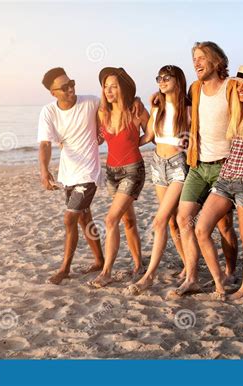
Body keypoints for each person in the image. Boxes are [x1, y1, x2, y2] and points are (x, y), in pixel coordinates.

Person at [171, 42, 243, 297]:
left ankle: (230, 272)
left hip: (227, 164)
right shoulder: (195, 88)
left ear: (216, 61)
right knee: (184, 219)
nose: (196, 62)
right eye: (194, 58)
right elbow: (186, 111)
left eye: (201, 58)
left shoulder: (232, 86)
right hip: (198, 163)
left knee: (225, 227)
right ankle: (192, 276)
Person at [195, 65, 243, 300]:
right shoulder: (238, 111)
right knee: (201, 228)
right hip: (225, 179)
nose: (241, 90)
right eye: (239, 85)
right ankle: (219, 282)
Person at [127, 65, 190, 295]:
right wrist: (126, 142)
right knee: (172, 222)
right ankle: (187, 263)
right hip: (157, 165)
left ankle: (149, 275)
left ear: (177, 79)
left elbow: (194, 140)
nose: (161, 81)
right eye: (159, 78)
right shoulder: (158, 107)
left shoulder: (189, 108)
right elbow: (149, 137)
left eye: (166, 77)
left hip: (178, 166)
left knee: (159, 220)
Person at [38, 67, 104, 285]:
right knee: (85, 217)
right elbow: (46, 144)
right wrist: (44, 169)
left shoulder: (91, 102)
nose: (70, 89)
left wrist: (103, 130)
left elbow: (115, 108)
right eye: (64, 87)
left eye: (72, 83)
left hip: (89, 173)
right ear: (53, 92)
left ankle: (65, 268)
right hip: (68, 173)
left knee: (70, 218)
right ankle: (100, 261)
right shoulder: (49, 112)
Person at [89, 67, 149, 288]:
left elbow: (151, 132)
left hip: (133, 170)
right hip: (112, 172)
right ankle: (138, 265)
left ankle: (106, 272)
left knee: (110, 219)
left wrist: (135, 143)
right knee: (128, 220)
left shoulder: (135, 110)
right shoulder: (102, 113)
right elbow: (98, 139)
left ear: (122, 88)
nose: (109, 90)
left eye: (114, 86)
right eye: (105, 86)